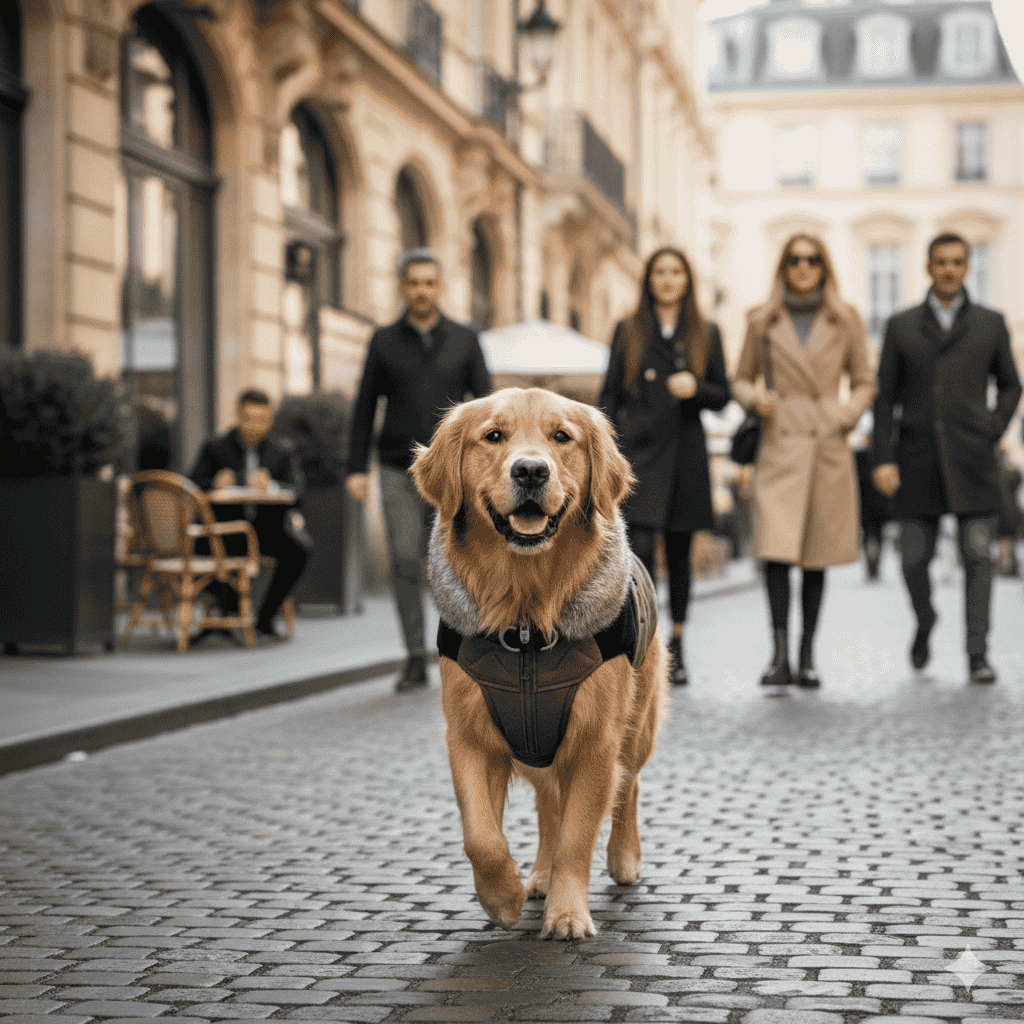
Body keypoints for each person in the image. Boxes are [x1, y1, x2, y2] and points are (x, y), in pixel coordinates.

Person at [872, 233, 1022, 683]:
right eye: (941, 262)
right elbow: (884, 399)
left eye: (958, 262)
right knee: (912, 558)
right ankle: (925, 620)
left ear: (967, 266)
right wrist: (882, 457)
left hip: (973, 460)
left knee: (979, 557)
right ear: (927, 267)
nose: (950, 269)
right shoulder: (901, 326)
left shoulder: (990, 324)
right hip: (916, 460)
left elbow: (1012, 385)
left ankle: (978, 654)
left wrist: (992, 428)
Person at [733, 233, 876, 690]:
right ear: (783, 267)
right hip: (779, 440)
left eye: (812, 260)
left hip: (826, 443)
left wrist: (846, 413)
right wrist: (757, 399)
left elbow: (864, 381)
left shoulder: (845, 318)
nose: (803, 267)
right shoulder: (761, 320)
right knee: (776, 552)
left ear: (824, 267)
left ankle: (808, 656)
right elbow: (740, 378)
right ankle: (779, 657)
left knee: (816, 555)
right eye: (794, 260)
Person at [346, 249, 491, 692]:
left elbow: (488, 409)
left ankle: (460, 654)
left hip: (453, 473)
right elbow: (365, 405)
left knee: (455, 563)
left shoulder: (465, 339)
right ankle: (414, 656)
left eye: (429, 282)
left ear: (440, 287)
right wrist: (356, 467)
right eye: (413, 283)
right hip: (397, 469)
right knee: (407, 559)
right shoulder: (383, 341)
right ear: (403, 287)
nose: (421, 290)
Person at [598, 247, 731, 686]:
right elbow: (608, 398)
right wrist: (609, 452)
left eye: (676, 272)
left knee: (679, 557)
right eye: (660, 272)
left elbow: (723, 395)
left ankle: (679, 645)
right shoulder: (629, 330)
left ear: (687, 280)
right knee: (637, 553)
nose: (668, 279)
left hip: (686, 458)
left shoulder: (706, 332)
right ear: (649, 279)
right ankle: (641, 645)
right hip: (639, 458)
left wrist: (697, 387)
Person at [189, 388, 308, 639]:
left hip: (266, 529)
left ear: (270, 420)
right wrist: (214, 482)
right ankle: (225, 613)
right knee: (205, 547)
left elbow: (297, 493)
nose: (255, 426)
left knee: (300, 549)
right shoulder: (215, 447)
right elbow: (192, 484)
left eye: (262, 420)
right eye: (249, 418)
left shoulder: (281, 451)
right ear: (238, 416)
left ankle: (265, 617)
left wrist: (272, 485)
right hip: (224, 529)